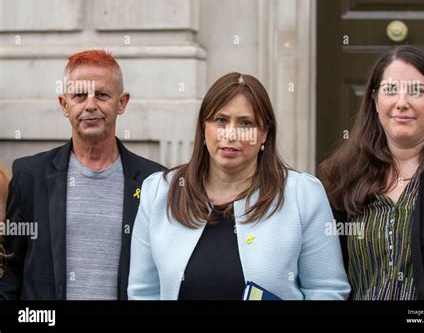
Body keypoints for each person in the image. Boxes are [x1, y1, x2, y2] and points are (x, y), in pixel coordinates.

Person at [128, 72, 350, 300]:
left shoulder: (302, 194)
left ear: (264, 134)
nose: (230, 134)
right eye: (221, 120)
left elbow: (327, 291)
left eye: (246, 123)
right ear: (204, 127)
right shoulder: (159, 191)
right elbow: (143, 293)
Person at [0, 50, 165, 300]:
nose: (90, 105)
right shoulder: (29, 177)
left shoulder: (154, 181)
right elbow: (12, 269)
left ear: (121, 102)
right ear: (64, 105)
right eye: (79, 95)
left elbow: (163, 272)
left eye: (101, 94)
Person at [319, 45, 424, 300]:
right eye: (390, 90)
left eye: (417, 91)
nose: (402, 103)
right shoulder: (344, 176)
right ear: (375, 101)